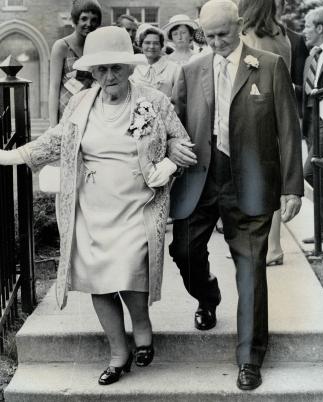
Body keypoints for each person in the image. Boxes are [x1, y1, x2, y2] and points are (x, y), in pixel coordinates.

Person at [0, 26, 191, 386]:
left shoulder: (154, 101)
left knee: (132, 272)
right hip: (91, 207)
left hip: (138, 205)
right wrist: (8, 156)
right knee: (100, 283)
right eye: (100, 69)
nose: (108, 76)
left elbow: (180, 142)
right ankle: (119, 353)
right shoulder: (80, 102)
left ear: (129, 66)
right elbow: (54, 142)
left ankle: (143, 329)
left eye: (115, 68)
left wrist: (172, 162)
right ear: (92, 71)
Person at [168, 0, 303, 391]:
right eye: (207, 36)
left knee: (250, 268)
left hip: (252, 180)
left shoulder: (269, 65)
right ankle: (207, 296)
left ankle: (249, 358)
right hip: (200, 179)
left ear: (240, 24)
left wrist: (292, 187)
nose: (215, 43)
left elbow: (289, 130)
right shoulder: (191, 70)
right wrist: (173, 149)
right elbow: (175, 124)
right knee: (185, 251)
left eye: (222, 35)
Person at [238, 0, 292, 266]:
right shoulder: (281, 33)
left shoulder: (250, 35)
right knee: (271, 178)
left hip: (255, 110)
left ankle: (265, 247)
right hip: (279, 106)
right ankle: (273, 246)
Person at [48, 0, 102, 126]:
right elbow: (54, 88)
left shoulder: (98, 47)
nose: (89, 24)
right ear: (75, 20)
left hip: (92, 113)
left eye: (94, 20)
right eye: (84, 19)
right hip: (67, 113)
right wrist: (53, 125)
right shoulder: (61, 46)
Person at [302, 6, 323, 243]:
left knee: (310, 171)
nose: (304, 31)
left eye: (308, 26)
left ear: (320, 27)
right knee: (317, 173)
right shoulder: (313, 55)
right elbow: (311, 91)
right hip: (312, 122)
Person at [275, 0, 309, 117]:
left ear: (283, 7)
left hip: (285, 111)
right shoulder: (245, 36)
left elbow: (302, 85)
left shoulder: (295, 40)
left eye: (276, 5)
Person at [131, 26, 180, 98]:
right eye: (147, 43)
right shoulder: (133, 67)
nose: (151, 46)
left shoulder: (174, 68)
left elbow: (178, 96)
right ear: (141, 45)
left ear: (161, 46)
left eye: (156, 43)